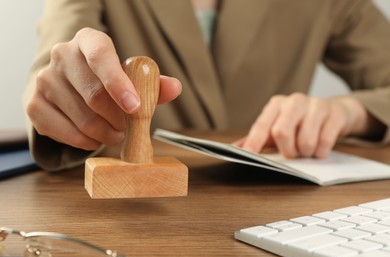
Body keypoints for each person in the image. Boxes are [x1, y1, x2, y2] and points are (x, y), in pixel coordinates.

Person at [24, 0, 390, 171]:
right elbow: (56, 58)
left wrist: (350, 112)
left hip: (277, 207)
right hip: (130, 216)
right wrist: (59, 91)